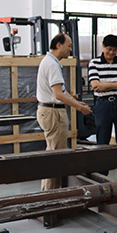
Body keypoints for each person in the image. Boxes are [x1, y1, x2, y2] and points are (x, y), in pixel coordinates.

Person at [37, 33, 92, 191]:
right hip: (53, 113)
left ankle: (48, 193)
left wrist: (76, 102)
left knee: (53, 154)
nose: (70, 49)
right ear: (58, 45)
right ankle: (51, 196)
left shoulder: (51, 61)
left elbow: (62, 90)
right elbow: (58, 95)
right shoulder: (52, 64)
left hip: (50, 111)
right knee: (56, 158)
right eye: (69, 45)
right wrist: (80, 108)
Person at [88, 34, 117, 180]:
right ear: (103, 46)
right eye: (109, 49)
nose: (111, 52)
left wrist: (105, 85)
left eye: (115, 50)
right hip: (103, 105)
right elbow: (95, 86)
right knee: (102, 142)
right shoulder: (94, 63)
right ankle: (102, 176)